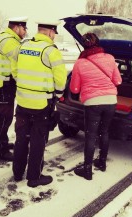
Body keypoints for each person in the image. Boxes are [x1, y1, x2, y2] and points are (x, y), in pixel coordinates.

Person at [12, 21, 67, 187]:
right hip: (41, 104)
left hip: (22, 101)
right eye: (54, 33)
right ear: (50, 32)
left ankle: (17, 172)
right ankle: (34, 177)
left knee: (21, 138)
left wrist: (24, 84)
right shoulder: (51, 51)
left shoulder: (23, 46)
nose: (54, 36)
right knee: (38, 140)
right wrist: (58, 93)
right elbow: (60, 79)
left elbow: (14, 70)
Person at [70, 32, 122, 180]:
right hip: (111, 101)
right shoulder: (110, 58)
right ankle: (102, 162)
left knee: (90, 135)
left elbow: (74, 89)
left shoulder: (80, 63)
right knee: (104, 132)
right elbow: (118, 81)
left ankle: (87, 170)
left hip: (92, 103)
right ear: (98, 43)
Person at [0, 16, 28, 161]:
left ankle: (0, 142)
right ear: (16, 27)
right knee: (4, 118)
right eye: (24, 28)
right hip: (3, 85)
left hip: (4, 84)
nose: (25, 32)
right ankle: (1, 150)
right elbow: (19, 60)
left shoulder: (9, 39)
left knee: (2, 117)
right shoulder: (9, 41)